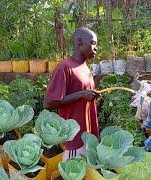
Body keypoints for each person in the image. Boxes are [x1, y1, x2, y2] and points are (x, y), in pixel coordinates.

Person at [44, 27, 100, 161]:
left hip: (86, 133)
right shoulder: (64, 67)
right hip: (74, 138)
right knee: (73, 172)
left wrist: (90, 95)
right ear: (79, 42)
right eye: (93, 43)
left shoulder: (84, 66)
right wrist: (81, 94)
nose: (96, 48)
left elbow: (81, 94)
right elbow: (48, 103)